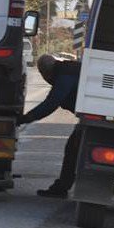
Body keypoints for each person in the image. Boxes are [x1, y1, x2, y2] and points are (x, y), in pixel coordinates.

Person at [17, 54, 82, 199]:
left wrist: (26, 118)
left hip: (93, 117)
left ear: (46, 72)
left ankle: (62, 188)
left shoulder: (65, 75)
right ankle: (63, 186)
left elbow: (51, 103)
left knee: (73, 149)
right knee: (74, 147)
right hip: (95, 116)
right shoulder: (69, 69)